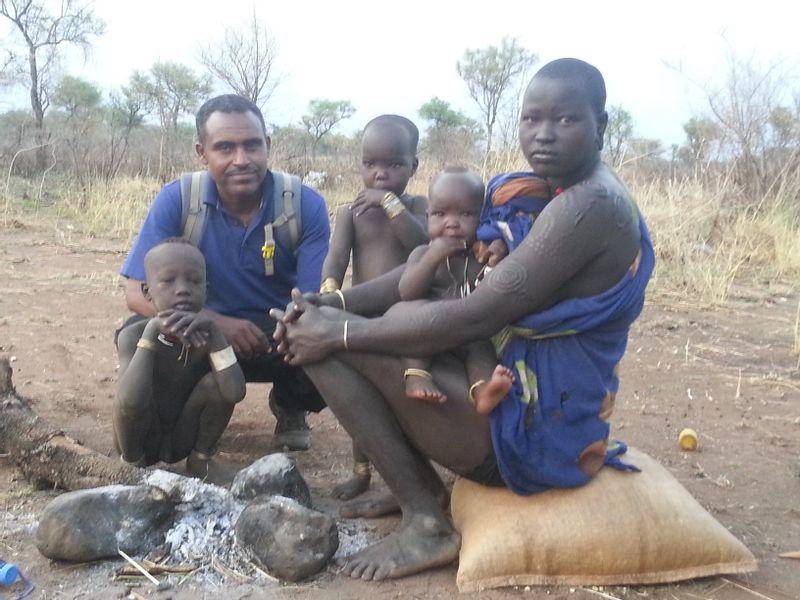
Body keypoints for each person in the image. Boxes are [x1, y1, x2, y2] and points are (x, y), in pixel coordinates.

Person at [271, 57, 655, 581]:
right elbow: (432, 271)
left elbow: (475, 313)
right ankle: (413, 489)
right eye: (531, 119)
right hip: (526, 394)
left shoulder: (588, 207)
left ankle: (428, 517)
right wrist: (330, 305)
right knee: (328, 329)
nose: (543, 135)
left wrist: (337, 332)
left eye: (564, 120)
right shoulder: (544, 193)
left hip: (535, 431)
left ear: (601, 125)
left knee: (324, 349)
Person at [119, 94, 330, 452]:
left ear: (268, 145)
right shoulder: (179, 200)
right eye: (225, 148)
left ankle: (292, 404)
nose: (241, 160)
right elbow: (136, 293)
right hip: (199, 331)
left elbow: (313, 300)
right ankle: (172, 420)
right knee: (136, 334)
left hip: (275, 332)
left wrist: (288, 324)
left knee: (329, 331)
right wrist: (214, 324)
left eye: (252, 146)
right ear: (202, 152)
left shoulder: (303, 204)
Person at [321, 114, 429, 501]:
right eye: (371, 165)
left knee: (404, 393)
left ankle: (413, 470)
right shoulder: (350, 212)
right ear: (361, 164)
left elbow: (420, 244)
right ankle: (361, 470)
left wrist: (389, 204)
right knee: (360, 394)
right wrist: (329, 290)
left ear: (413, 166)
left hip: (405, 313)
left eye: (393, 165)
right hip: (361, 313)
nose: (380, 174)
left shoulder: (419, 206)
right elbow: (336, 258)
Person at [114, 239, 246, 484]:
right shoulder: (132, 335)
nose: (183, 289)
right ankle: (131, 468)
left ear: (206, 291)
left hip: (183, 437)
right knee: (130, 390)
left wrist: (216, 334)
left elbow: (234, 392)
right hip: (141, 438)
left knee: (216, 381)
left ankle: (201, 459)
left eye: (194, 281)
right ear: (147, 292)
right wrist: (152, 331)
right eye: (168, 280)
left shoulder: (211, 338)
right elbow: (129, 403)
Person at [396, 166, 514, 414]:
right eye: (440, 214)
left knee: (481, 348)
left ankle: (482, 390)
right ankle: (416, 375)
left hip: (467, 334)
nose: (451, 224)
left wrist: (495, 262)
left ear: (483, 218)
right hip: (429, 332)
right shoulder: (421, 253)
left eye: (465, 214)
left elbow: (492, 295)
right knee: (413, 328)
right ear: (427, 216)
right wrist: (433, 257)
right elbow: (407, 292)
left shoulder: (480, 257)